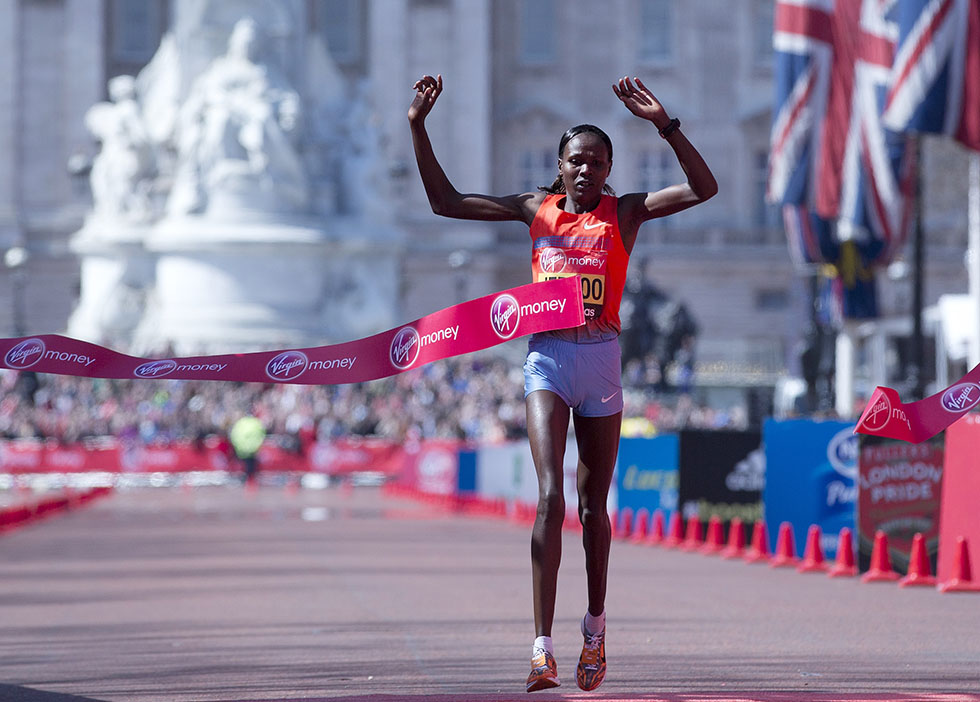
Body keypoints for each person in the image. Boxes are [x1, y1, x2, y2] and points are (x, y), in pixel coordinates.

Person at [408, 74, 716, 692]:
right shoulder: (533, 208)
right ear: (560, 165)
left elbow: (704, 189)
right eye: (577, 161)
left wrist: (666, 124)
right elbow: (446, 202)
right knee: (550, 499)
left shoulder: (624, 212)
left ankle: (595, 629)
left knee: (593, 508)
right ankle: (541, 647)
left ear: (608, 170)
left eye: (598, 163)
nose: (587, 171)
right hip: (547, 357)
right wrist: (417, 127)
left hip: (600, 358)